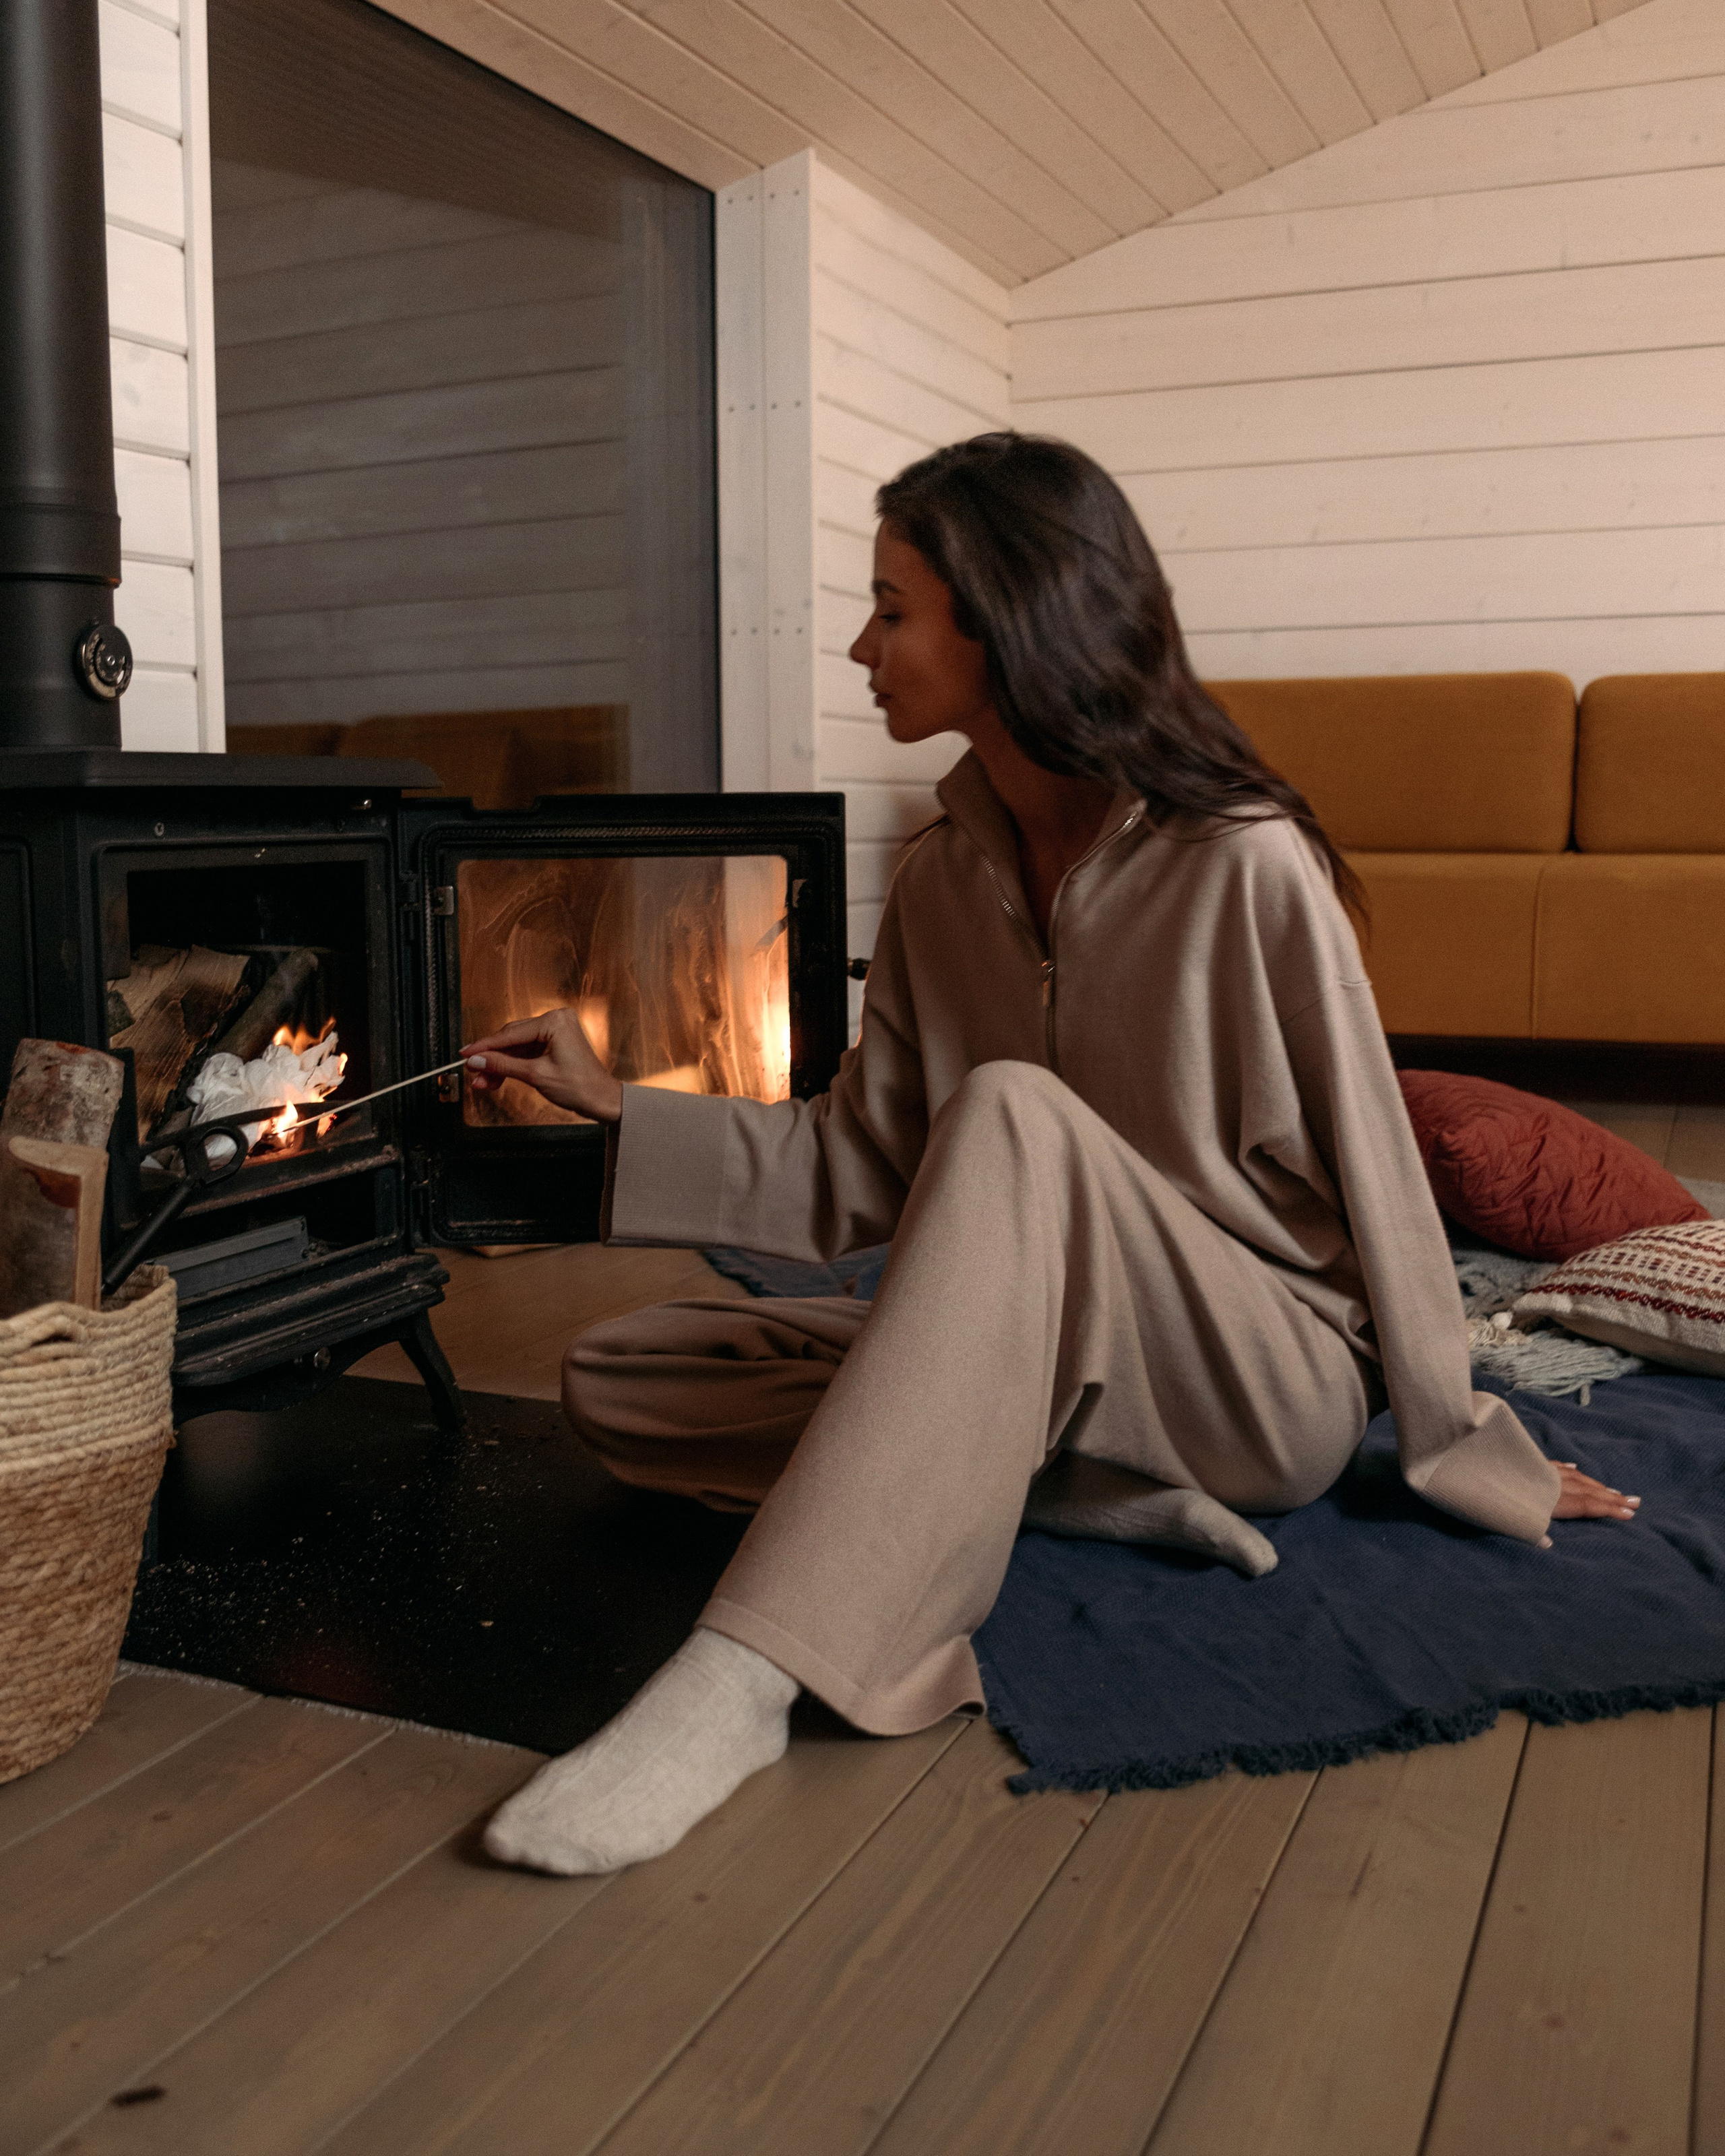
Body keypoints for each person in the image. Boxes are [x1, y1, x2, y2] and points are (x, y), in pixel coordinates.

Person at [468, 433, 1638, 1878]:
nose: (859, 644)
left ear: (1005, 615)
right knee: (624, 1375)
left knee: (1013, 1112)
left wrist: (1453, 1437)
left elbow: (1379, 1174)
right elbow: (851, 1172)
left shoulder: (1241, 859)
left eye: (892, 607)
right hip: (1059, 1373)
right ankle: (1067, 1490)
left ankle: (746, 1678)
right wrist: (620, 1106)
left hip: (1255, 1368)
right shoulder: (939, 877)